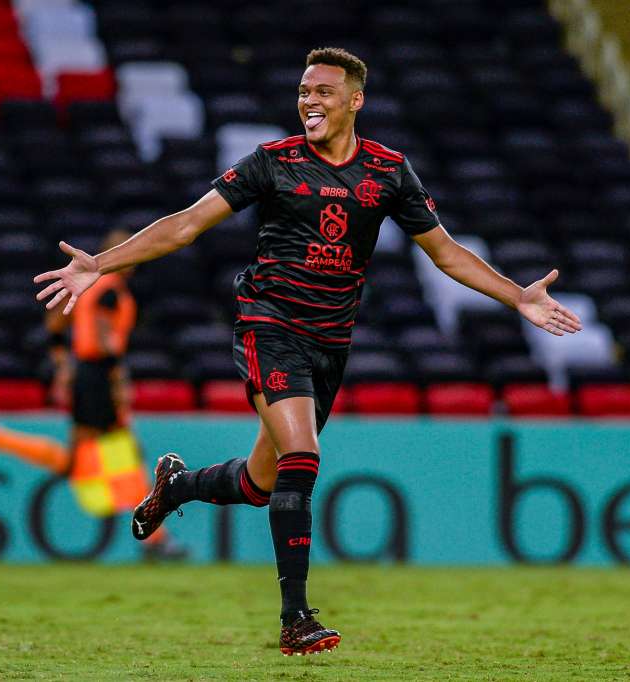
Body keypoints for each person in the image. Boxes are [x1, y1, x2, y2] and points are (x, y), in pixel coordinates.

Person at [34, 47, 582, 655]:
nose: (310, 100)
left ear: (356, 100)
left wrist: (517, 298)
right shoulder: (272, 163)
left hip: (330, 342)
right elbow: (188, 223)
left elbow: (446, 253)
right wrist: (101, 267)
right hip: (266, 324)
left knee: (262, 482)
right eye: (303, 91)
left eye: (323, 91)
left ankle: (177, 487)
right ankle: (295, 619)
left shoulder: (389, 173)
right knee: (303, 452)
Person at [0, 230, 185, 560]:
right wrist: (118, 382)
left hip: (86, 374)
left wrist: (64, 366)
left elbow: (55, 326)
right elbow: (105, 339)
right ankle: (158, 540)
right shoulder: (111, 291)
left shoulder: (89, 287)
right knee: (125, 454)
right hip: (98, 378)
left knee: (79, 462)